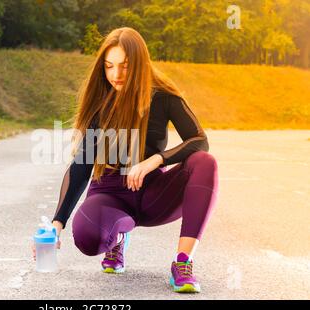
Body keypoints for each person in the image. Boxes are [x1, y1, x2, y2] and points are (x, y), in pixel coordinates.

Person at [32, 27, 219, 294]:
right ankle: (116, 238)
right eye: (109, 66)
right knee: (88, 239)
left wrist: (156, 159)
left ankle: (183, 262)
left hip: (153, 192)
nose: (116, 75)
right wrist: (55, 226)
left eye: (125, 66)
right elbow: (82, 166)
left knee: (205, 162)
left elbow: (199, 140)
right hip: (109, 194)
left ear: (140, 65)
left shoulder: (163, 97)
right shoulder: (101, 102)